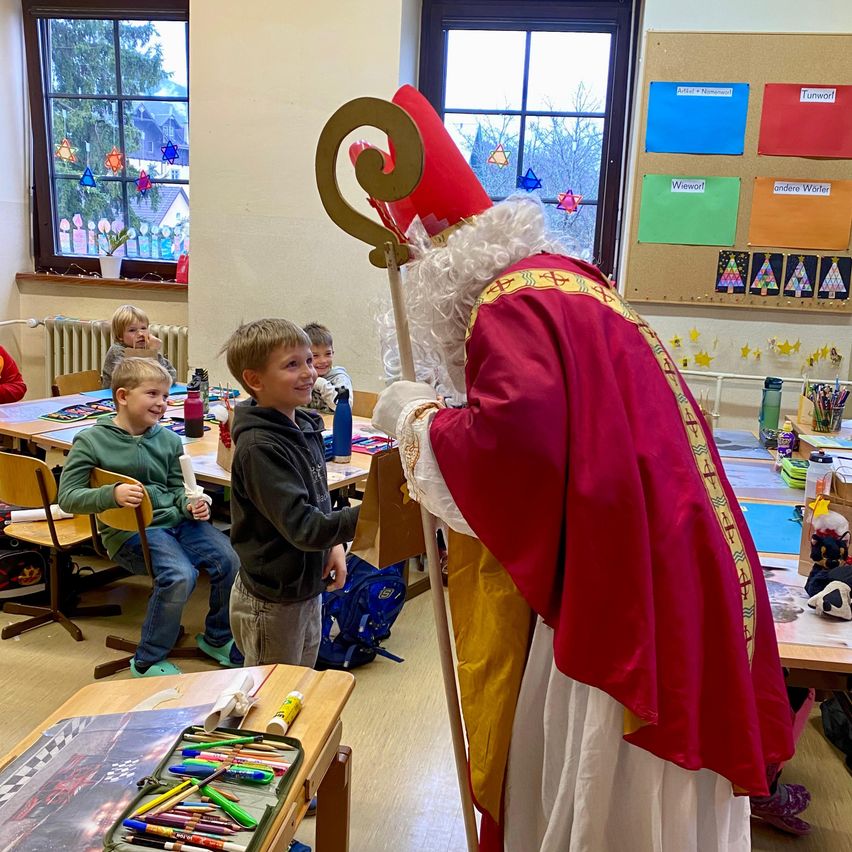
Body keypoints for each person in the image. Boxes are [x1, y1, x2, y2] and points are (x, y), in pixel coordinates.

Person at [352, 85, 797, 850]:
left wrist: (414, 416)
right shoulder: (575, 287)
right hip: (677, 562)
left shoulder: (505, 305)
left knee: (600, 783)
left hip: (621, 587)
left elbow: (515, 457)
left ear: (435, 266)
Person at [58, 357, 241, 677]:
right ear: (123, 396)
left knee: (230, 558)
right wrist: (110, 494)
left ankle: (217, 636)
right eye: (153, 394)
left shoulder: (168, 439)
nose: (162, 402)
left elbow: (177, 488)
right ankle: (147, 659)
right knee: (179, 575)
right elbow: (68, 498)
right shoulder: (91, 441)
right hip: (130, 533)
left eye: (165, 395)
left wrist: (192, 504)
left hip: (176, 523)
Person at [222, 318, 359, 666]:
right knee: (270, 700)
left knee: (300, 689)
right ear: (255, 380)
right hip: (273, 602)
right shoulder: (259, 447)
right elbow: (303, 526)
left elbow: (316, 497)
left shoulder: (307, 424)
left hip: (305, 588)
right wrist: (374, 513)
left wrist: (333, 542)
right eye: (292, 365)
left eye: (309, 361)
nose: (309, 373)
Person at [101, 304, 178, 388]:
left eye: (143, 328)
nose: (140, 334)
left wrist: (153, 353)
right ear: (120, 336)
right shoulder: (117, 351)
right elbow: (141, 381)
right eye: (132, 330)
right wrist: (152, 353)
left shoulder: (146, 348)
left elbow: (171, 375)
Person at [303, 321, 353, 413]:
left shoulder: (340, 378)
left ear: (333, 353)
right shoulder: (302, 377)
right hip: (306, 425)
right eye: (315, 356)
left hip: (332, 425)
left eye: (328, 354)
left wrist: (322, 384)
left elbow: (346, 409)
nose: (323, 361)